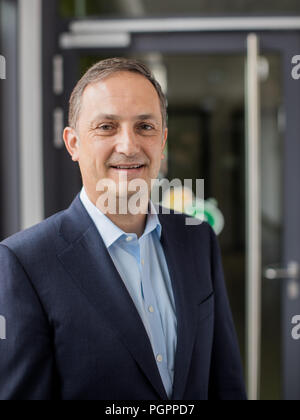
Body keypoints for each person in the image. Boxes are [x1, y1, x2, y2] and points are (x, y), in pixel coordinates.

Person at [0, 58, 246, 400]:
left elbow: (225, 378)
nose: (129, 146)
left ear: (162, 142)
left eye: (145, 126)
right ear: (73, 143)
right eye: (106, 127)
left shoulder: (197, 236)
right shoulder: (24, 262)